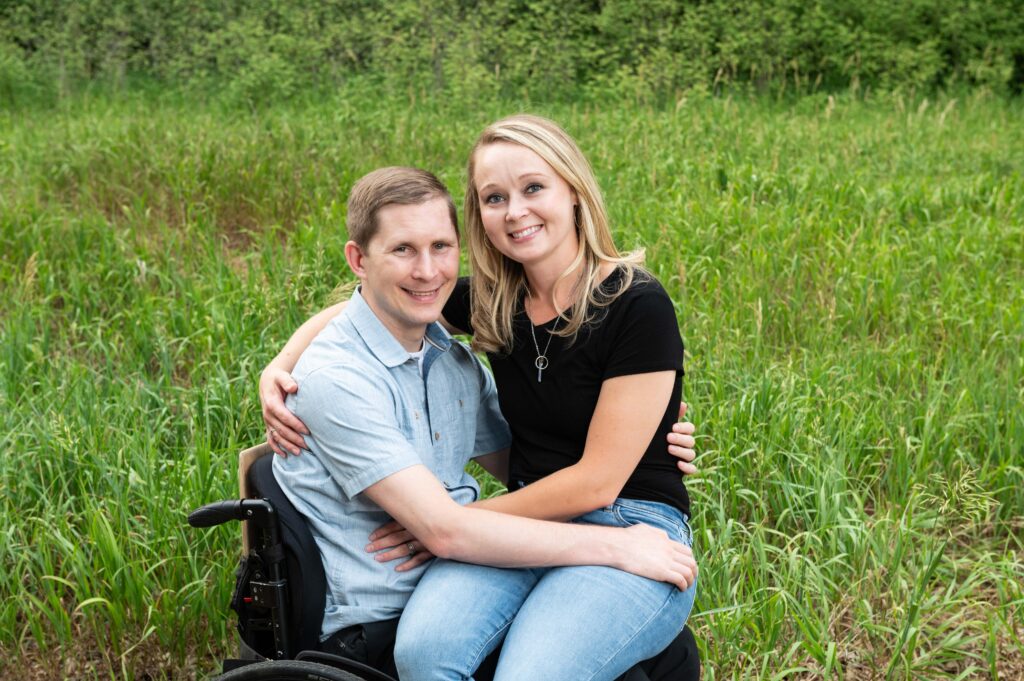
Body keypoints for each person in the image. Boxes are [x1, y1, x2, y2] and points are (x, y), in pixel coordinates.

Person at [267, 165, 698, 679]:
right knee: (447, 658)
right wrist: (282, 364)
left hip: (528, 540)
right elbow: (447, 530)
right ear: (359, 259)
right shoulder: (351, 373)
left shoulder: (452, 355)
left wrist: (638, 442)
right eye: (403, 249)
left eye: (441, 248)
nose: (427, 271)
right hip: (387, 612)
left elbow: (530, 461)